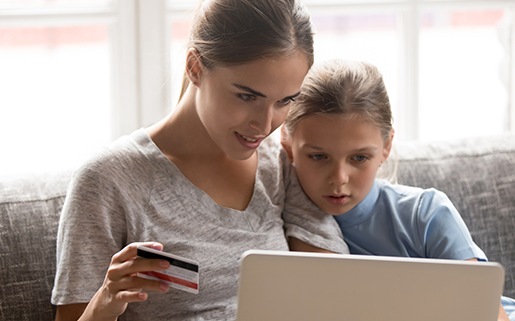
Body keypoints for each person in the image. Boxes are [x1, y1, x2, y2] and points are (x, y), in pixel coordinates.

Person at [51, 1, 348, 320]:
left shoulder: (278, 164)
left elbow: (335, 290)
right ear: (195, 67)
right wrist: (106, 301)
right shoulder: (109, 180)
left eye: (285, 101)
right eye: (247, 96)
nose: (264, 126)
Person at [280, 59, 515, 321]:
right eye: (318, 157)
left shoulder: (426, 214)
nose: (339, 178)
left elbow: (487, 313)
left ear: (386, 146)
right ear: (287, 145)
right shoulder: (276, 217)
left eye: (359, 158)